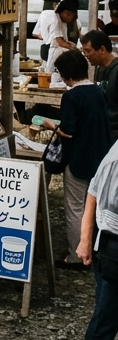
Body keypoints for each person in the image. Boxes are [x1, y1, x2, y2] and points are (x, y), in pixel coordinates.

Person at [55, 49, 112, 269]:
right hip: (100, 156)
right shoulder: (97, 91)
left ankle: (76, 255)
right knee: (95, 207)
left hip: (78, 158)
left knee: (76, 208)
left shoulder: (71, 96)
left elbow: (68, 130)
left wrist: (52, 126)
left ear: (66, 74)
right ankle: (94, 250)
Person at [75, 136, 118, 340]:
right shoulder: (116, 159)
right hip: (112, 247)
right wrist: (84, 240)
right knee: (106, 315)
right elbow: (94, 193)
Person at [83, 30, 118, 143]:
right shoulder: (99, 69)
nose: (86, 55)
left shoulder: (116, 70)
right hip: (102, 131)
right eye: (84, 52)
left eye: (88, 51)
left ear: (102, 49)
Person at [33, 0, 79, 75]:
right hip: (52, 50)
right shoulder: (54, 20)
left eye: (72, 15)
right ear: (64, 12)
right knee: (51, 73)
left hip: (58, 51)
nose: (70, 18)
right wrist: (74, 49)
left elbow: (63, 40)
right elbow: (60, 42)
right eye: (68, 15)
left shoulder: (63, 22)